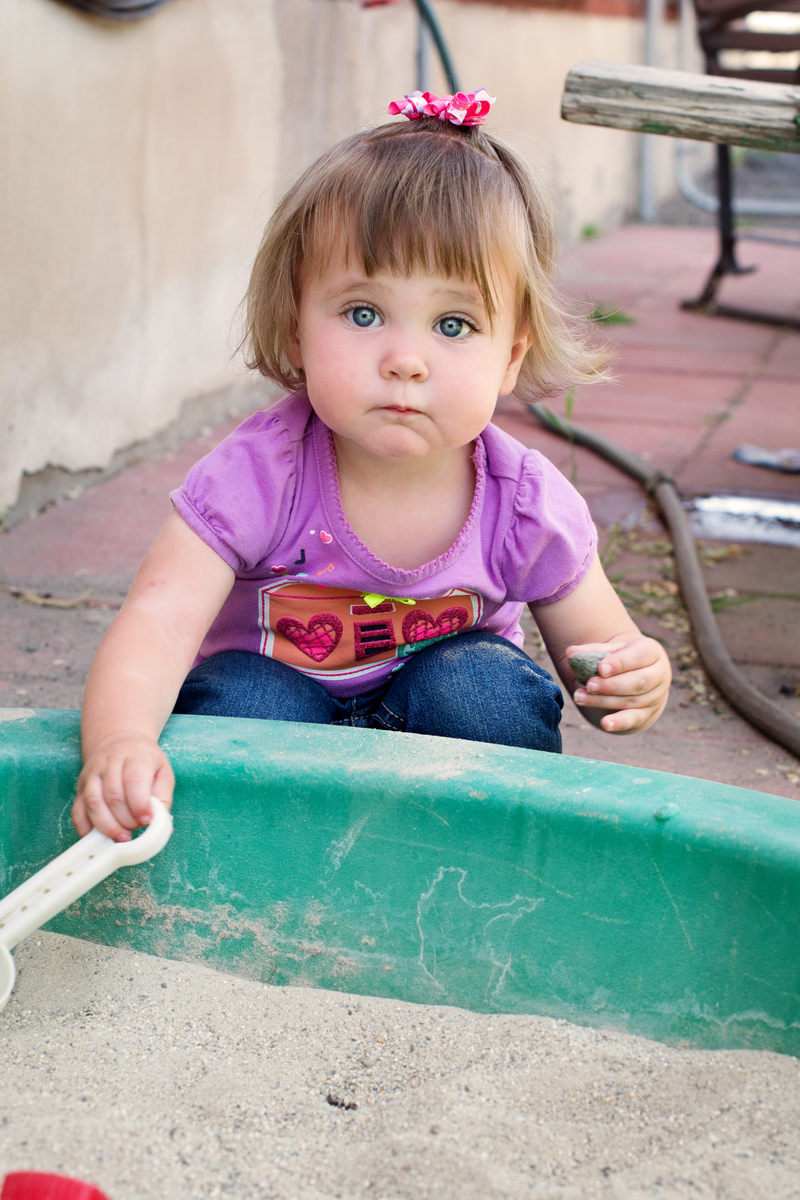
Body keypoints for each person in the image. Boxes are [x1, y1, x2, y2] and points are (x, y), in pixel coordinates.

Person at [73, 89, 671, 842]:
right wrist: (120, 741)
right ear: (296, 328)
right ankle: (257, 865)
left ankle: (476, 866)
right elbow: (158, 621)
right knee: (244, 700)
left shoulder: (524, 502)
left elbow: (603, 653)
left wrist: (630, 677)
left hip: (441, 757)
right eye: (363, 313)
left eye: (454, 324)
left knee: (483, 686)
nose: (406, 361)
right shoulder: (262, 474)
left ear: (510, 357)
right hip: (283, 735)